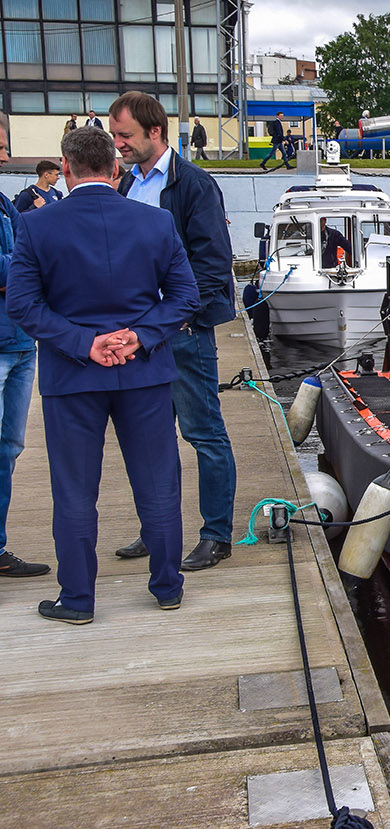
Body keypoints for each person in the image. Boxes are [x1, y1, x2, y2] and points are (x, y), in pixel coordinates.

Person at [6, 126, 199, 623]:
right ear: (115, 169)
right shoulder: (156, 223)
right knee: (158, 483)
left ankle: (77, 600)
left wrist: (84, 343)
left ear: (65, 169)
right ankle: (167, 586)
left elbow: (25, 304)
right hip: (145, 371)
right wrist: (137, 336)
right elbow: (184, 297)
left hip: (71, 377)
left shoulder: (37, 226)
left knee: (74, 490)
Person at [108, 92, 238, 572]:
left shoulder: (194, 185)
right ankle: (156, 528)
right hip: (136, 335)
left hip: (181, 332)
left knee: (203, 433)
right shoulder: (125, 187)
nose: (117, 144)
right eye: (115, 135)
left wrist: (181, 318)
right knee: (150, 436)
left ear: (155, 132)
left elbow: (213, 262)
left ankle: (215, 535)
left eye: (125, 136)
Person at [0, 112, 49, 579]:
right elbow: (20, 265)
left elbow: (28, 258)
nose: (5, 155)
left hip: (20, 342)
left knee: (9, 448)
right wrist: (19, 263)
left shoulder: (2, 201)